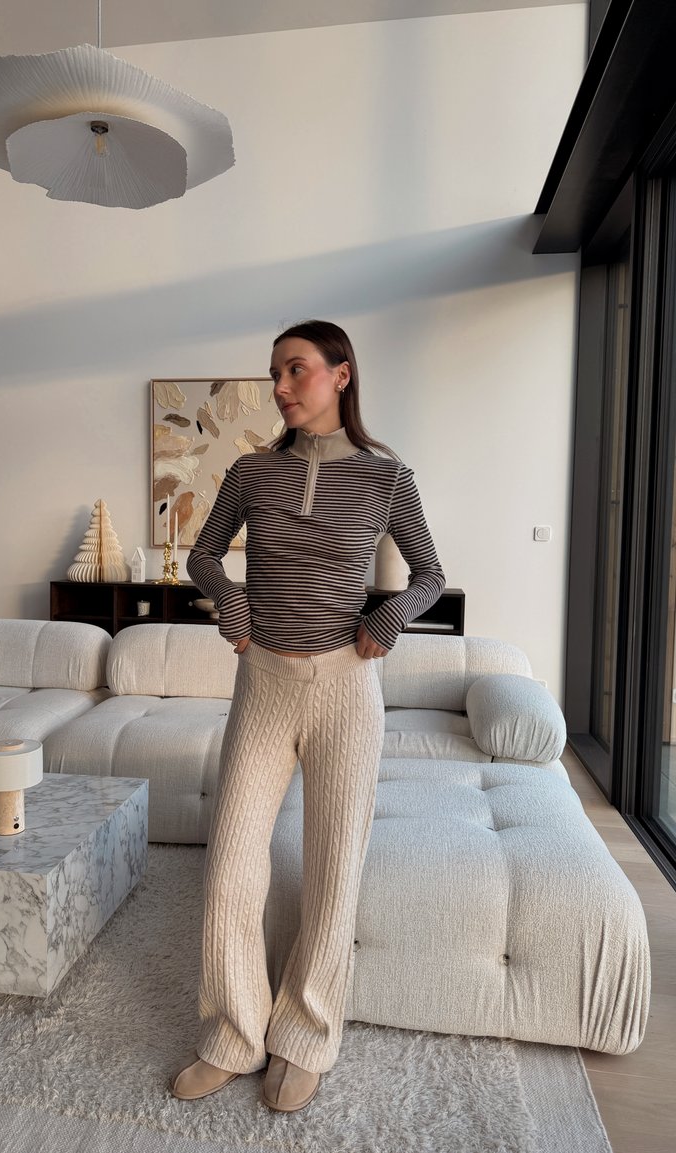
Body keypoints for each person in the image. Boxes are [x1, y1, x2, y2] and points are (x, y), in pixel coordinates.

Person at [172, 319, 445, 1112]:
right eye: (274, 374)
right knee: (229, 865)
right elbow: (202, 555)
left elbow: (429, 573)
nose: (281, 388)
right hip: (262, 683)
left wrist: (390, 617)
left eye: (295, 370)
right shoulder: (251, 471)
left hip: (346, 688)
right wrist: (229, 599)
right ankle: (233, 1031)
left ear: (341, 374)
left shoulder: (389, 479)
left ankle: (305, 1036)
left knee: (332, 869)